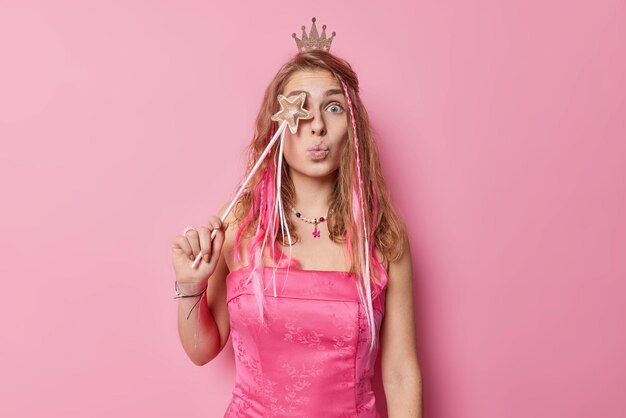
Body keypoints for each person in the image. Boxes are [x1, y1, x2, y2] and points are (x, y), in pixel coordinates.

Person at [171, 18, 423, 417]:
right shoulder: (240, 223)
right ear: (278, 125)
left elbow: (400, 373)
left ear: (352, 126)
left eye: (333, 107)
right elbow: (202, 350)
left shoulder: (382, 235)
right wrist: (189, 285)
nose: (317, 125)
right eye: (301, 108)